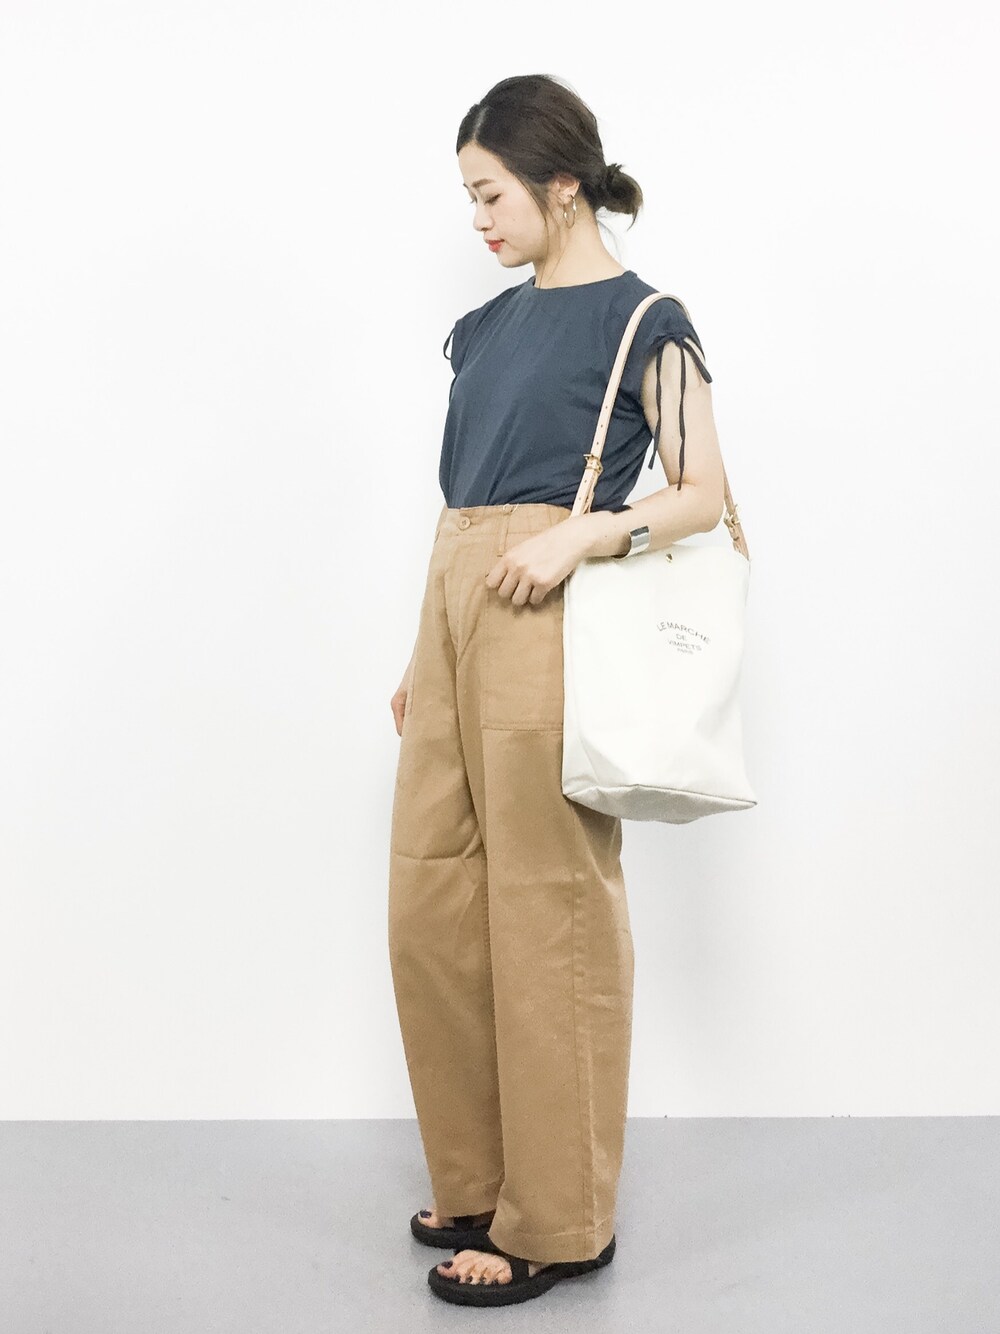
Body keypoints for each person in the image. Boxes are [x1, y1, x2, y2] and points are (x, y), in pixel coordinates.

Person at [387, 73, 726, 1309]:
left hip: (548, 615)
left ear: (561, 185)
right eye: (468, 197)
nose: (477, 218)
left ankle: (560, 1215)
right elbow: (461, 501)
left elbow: (701, 494)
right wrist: (421, 655)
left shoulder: (643, 322)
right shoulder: (481, 328)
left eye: (491, 194)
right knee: (431, 902)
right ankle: (478, 1178)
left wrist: (582, 534)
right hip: (456, 605)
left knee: (549, 911)